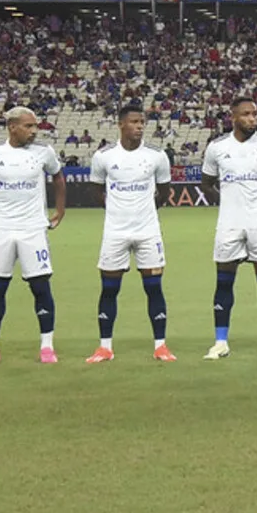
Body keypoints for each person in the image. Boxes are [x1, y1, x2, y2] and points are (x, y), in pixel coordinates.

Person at [0, 106, 67, 365]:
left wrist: (59, 210)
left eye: (35, 126)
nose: (34, 131)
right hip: (1, 228)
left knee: (40, 286)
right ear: (12, 127)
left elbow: (58, 177)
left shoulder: (44, 153)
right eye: (28, 126)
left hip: (33, 228)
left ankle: (47, 346)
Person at [200, 96, 257, 360]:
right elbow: (207, 184)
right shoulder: (217, 147)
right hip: (228, 225)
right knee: (224, 283)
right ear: (234, 117)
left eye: (255, 114)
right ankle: (220, 342)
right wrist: (226, 203)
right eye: (247, 114)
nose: (253, 118)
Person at [85, 104, 176, 363]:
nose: (139, 126)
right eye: (134, 122)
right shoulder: (104, 156)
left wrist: (146, 210)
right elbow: (95, 189)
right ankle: (105, 347)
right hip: (115, 232)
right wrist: (115, 209)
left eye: (142, 122)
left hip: (148, 232)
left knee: (154, 288)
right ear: (121, 124)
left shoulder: (157, 156)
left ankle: (161, 346)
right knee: (109, 289)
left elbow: (164, 190)